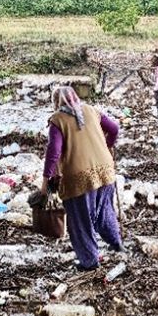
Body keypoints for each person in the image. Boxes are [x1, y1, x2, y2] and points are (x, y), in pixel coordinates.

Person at [42, 86, 124, 272]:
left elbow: (53, 152)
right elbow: (114, 129)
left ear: (57, 102)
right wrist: (107, 146)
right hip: (105, 169)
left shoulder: (57, 120)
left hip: (78, 177)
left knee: (80, 221)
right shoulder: (92, 110)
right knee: (104, 210)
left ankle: (89, 261)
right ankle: (116, 243)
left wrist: (46, 180)